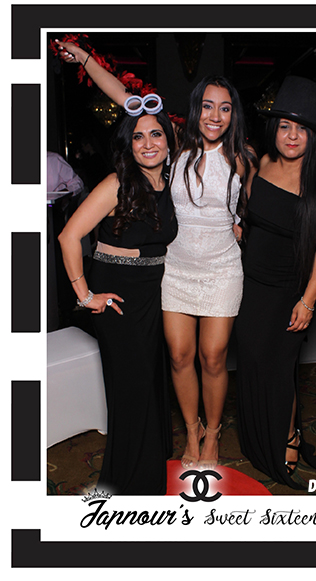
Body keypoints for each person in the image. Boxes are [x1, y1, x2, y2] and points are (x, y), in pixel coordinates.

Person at [55, 39, 257, 471]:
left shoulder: (244, 158)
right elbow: (127, 100)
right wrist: (86, 59)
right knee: (179, 357)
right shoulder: (177, 147)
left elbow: (253, 206)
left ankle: (214, 432)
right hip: (175, 269)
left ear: (233, 114)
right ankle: (192, 430)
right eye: (207, 106)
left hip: (221, 269)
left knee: (214, 356)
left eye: (224, 108)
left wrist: (240, 225)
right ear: (195, 110)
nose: (215, 116)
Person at [58, 93, 178, 495]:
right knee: (133, 387)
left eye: (156, 134)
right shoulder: (117, 184)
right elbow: (69, 236)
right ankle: (132, 482)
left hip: (153, 293)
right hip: (118, 296)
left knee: (151, 381)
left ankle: (150, 463)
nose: (148, 143)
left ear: (169, 139)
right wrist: (85, 295)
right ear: (128, 145)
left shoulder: (171, 183)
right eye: (138, 136)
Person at [235, 76, 316, 490]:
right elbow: (249, 217)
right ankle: (257, 436)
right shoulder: (263, 163)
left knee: (279, 368)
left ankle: (288, 435)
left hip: (288, 291)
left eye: (302, 128)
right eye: (285, 126)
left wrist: (308, 301)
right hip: (249, 284)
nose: (292, 135)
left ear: (313, 135)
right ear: (274, 128)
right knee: (251, 361)